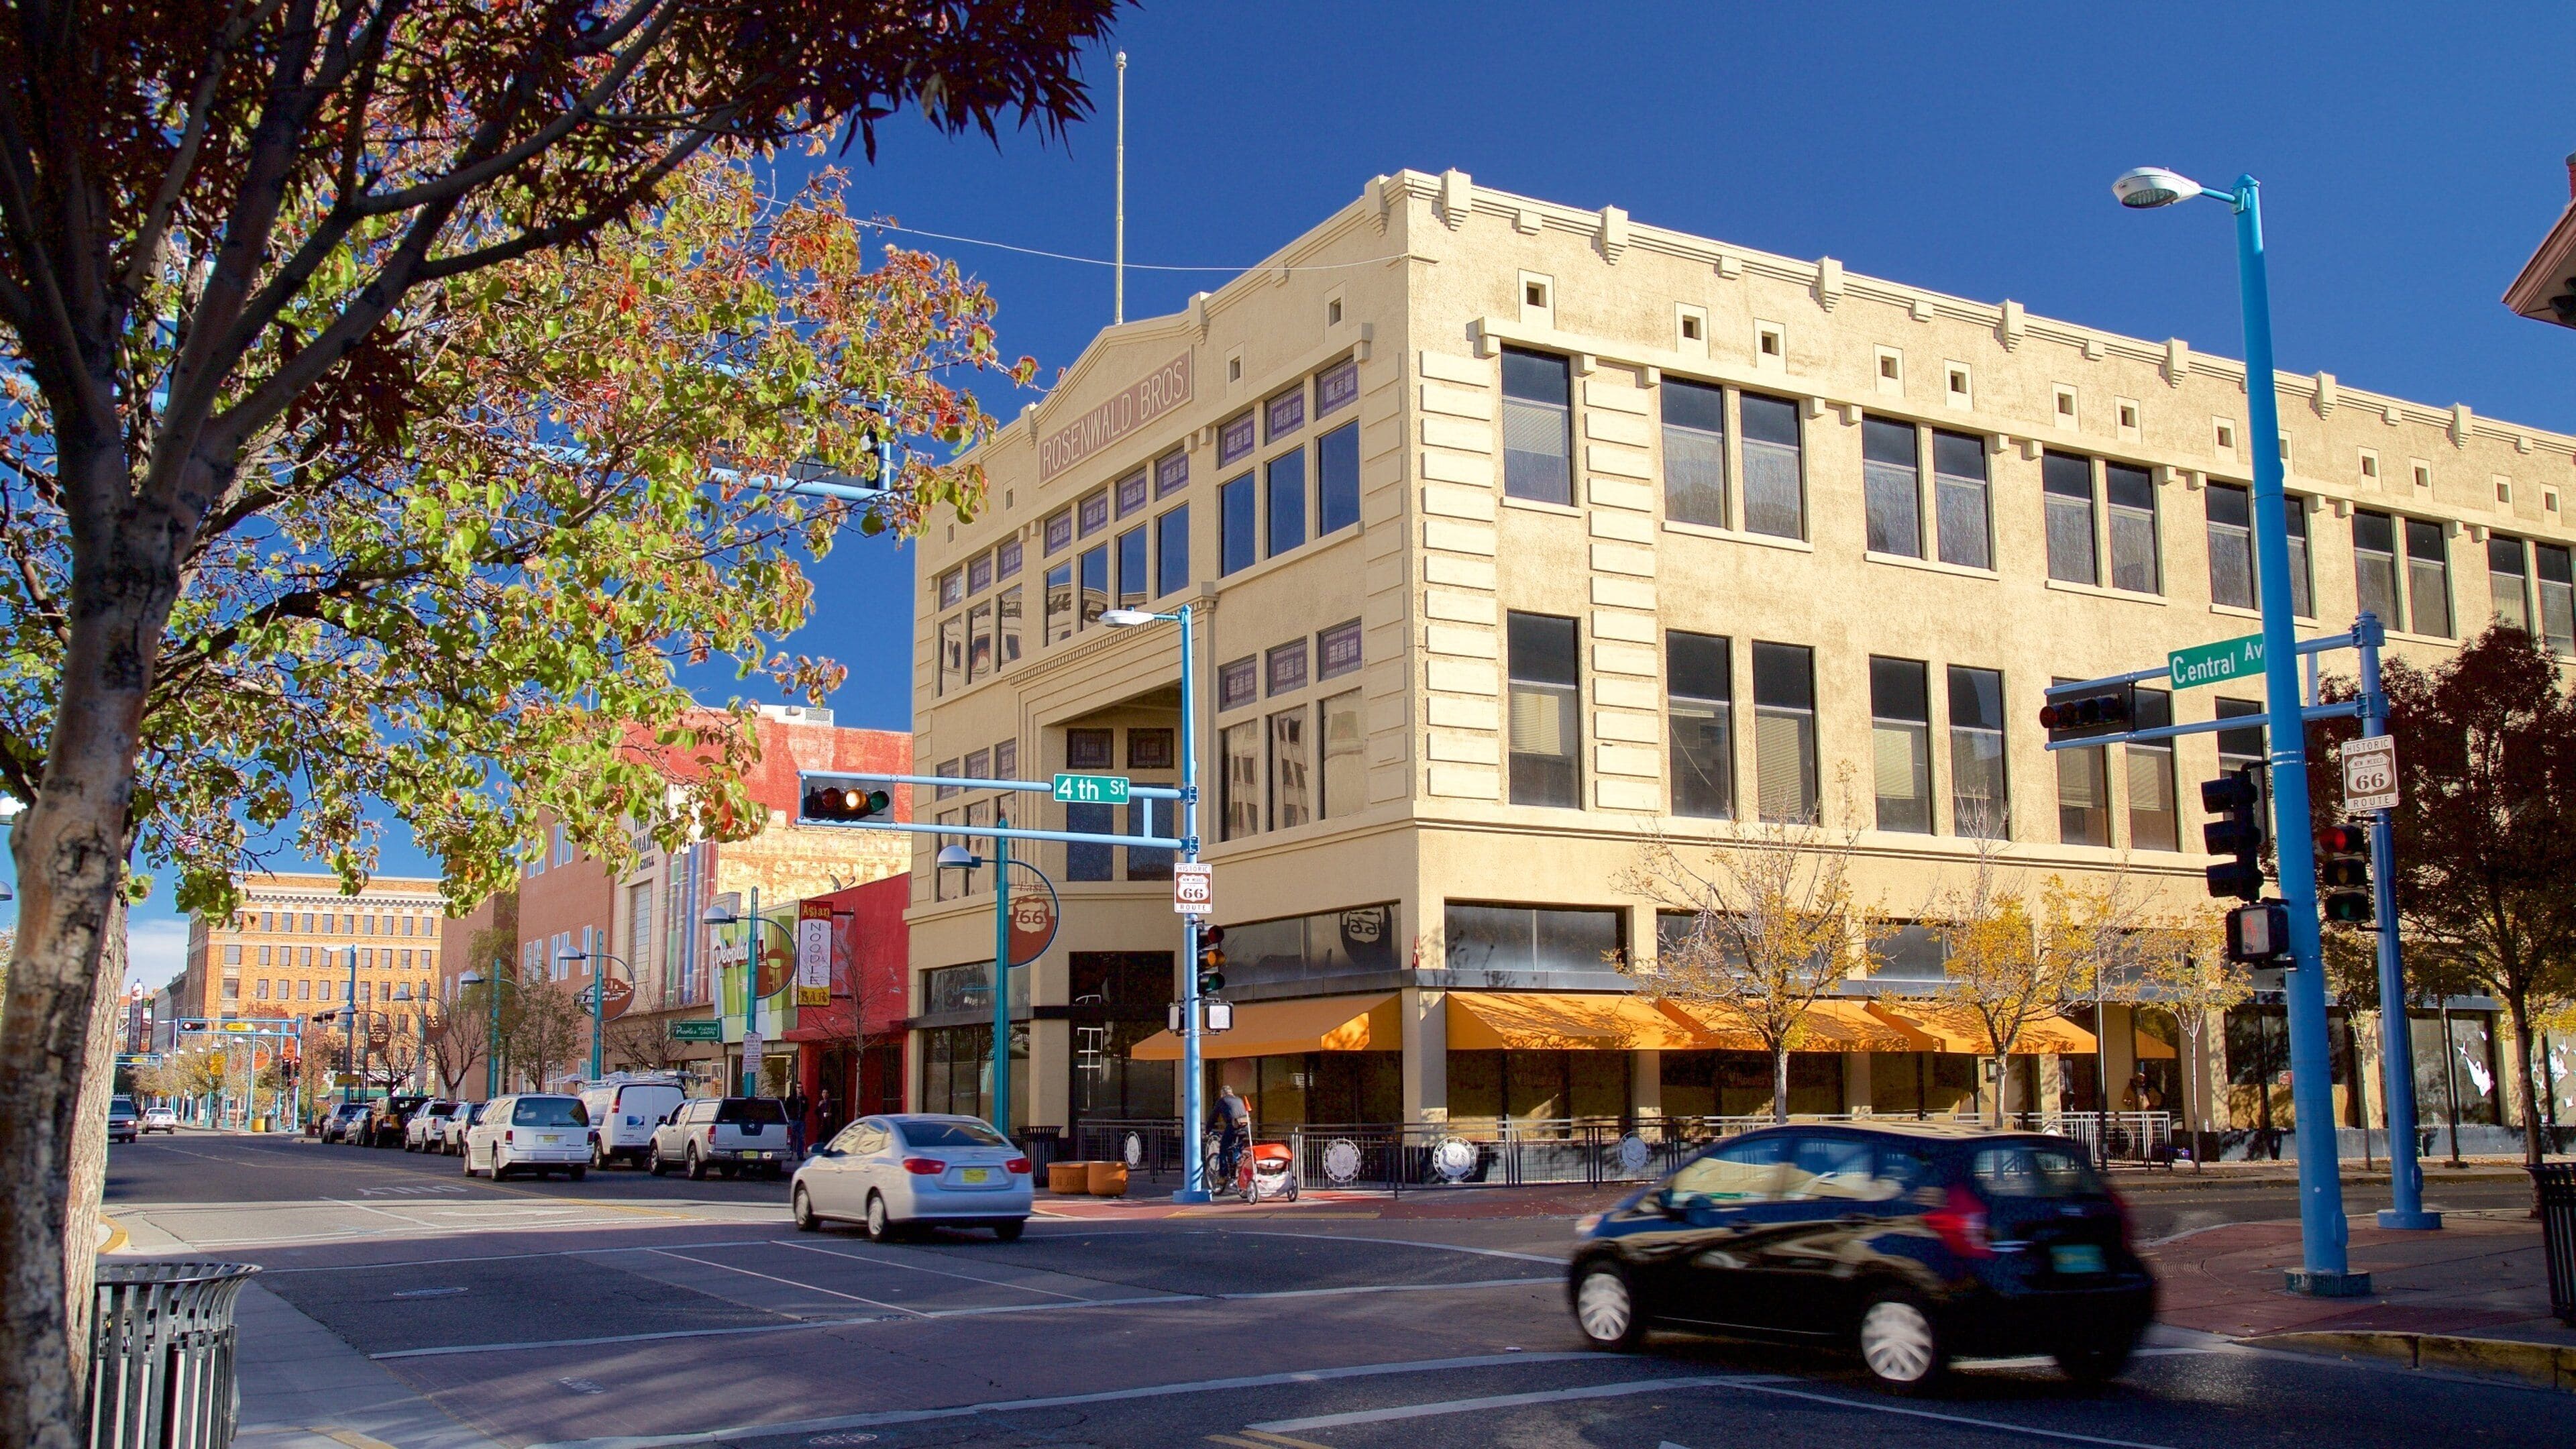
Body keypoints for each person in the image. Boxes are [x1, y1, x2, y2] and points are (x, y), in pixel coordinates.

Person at [1210, 1083, 1251, 1191]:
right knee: (1238, 1149)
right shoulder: (1239, 1099)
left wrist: (1207, 1130)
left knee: (1223, 1150)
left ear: (1222, 1094)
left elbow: (1213, 1117)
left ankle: (1223, 1176)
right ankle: (1237, 1171)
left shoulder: (1222, 1101)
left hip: (1233, 1126)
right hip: (1245, 1127)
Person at [785, 1086, 810, 1157]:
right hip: (793, 1120)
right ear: (795, 1089)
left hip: (801, 1120)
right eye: (798, 1088)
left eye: (801, 1088)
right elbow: (786, 1107)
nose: (800, 1089)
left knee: (801, 1138)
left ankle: (800, 1154)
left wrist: (804, 1103)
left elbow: (807, 1109)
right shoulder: (791, 1098)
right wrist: (791, 1114)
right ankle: (790, 1154)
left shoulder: (804, 1098)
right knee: (791, 1137)